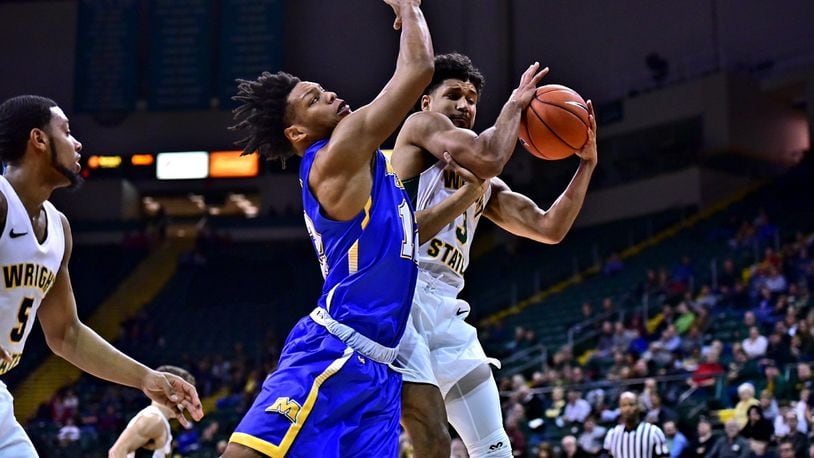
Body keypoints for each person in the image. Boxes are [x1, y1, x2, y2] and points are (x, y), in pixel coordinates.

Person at [224, 1, 434, 456]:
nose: (331, 95)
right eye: (313, 99)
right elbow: (418, 68)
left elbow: (404, 237)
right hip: (334, 345)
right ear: (297, 133)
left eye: (322, 90)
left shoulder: (369, 167)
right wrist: (409, 7)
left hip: (381, 367)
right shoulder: (338, 152)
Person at [391, 52, 596, 457]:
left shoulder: (486, 182)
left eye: (471, 99)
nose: (465, 105)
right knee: (431, 441)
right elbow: (487, 155)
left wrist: (586, 165)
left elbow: (549, 228)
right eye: (454, 95)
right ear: (427, 102)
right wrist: (516, 105)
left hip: (447, 308)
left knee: (495, 449)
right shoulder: (420, 127)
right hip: (400, 298)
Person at [0, 95, 203, 457]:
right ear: (38, 139)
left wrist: (146, 378)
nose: (77, 142)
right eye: (66, 131)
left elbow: (67, 334)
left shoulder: (59, 229)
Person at [109, 365, 196, 458]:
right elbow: (116, 452)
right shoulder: (153, 419)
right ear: (168, 389)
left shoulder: (159, 421)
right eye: (186, 393)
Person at [603, 392, 669, 458]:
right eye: (623, 405)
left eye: (631, 404)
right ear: (620, 409)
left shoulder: (653, 432)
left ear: (638, 407)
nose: (627, 409)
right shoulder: (612, 434)